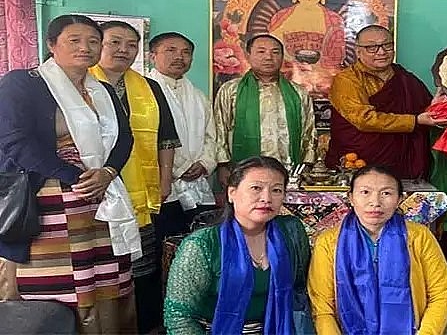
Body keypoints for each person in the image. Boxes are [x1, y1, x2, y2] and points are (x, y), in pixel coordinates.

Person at [0, 14, 138, 333]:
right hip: (47, 197)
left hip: (100, 198)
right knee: (58, 283)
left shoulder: (102, 89)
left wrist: (108, 171)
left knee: (101, 276)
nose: (85, 48)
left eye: (93, 41)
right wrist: (74, 176)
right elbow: (13, 140)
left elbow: (125, 137)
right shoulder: (23, 83)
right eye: (74, 41)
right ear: (52, 45)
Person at [89, 20, 181, 333]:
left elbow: (166, 138)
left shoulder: (148, 88)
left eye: (131, 44)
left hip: (140, 189)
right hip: (95, 189)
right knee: (100, 262)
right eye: (115, 42)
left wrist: (165, 177)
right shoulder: (80, 84)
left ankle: (142, 324)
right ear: (98, 44)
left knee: (140, 263)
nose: (124, 50)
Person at [164, 156, 311, 334]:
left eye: (277, 190)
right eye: (256, 188)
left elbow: (299, 290)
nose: (266, 198)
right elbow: (179, 317)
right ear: (231, 193)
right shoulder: (201, 245)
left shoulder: (291, 231)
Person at [308, 165, 447, 334]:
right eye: (365, 192)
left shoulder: (419, 237)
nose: (375, 202)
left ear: (400, 198)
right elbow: (322, 306)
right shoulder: (328, 242)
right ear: (351, 198)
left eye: (386, 193)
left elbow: (441, 293)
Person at [326, 25, 447, 179]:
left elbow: (426, 112)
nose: (381, 52)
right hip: (360, 162)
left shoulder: (404, 78)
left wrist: (436, 107)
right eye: (372, 47)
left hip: (403, 161)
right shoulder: (347, 80)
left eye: (387, 45)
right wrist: (415, 120)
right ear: (358, 51)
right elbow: (365, 119)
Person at [214, 34, 317, 188]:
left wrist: (307, 164)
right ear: (248, 56)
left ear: (282, 57)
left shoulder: (298, 93)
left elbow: (308, 130)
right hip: (242, 169)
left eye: (275, 52)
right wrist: (222, 165)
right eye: (261, 52)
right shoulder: (231, 90)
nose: (269, 57)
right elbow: (220, 128)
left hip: (288, 170)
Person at [147, 32, 217, 238]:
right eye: (171, 50)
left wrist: (205, 163)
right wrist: (181, 167)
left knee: (199, 242)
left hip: (197, 181)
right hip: (162, 184)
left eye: (186, 52)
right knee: (163, 244)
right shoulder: (143, 92)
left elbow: (211, 136)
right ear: (152, 56)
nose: (179, 57)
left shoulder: (198, 96)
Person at [269, 0, 346, 71]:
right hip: (288, 68)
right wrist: (292, 62)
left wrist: (317, 67)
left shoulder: (334, 19)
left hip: (322, 71)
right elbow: (273, 45)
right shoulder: (280, 17)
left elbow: (336, 52)